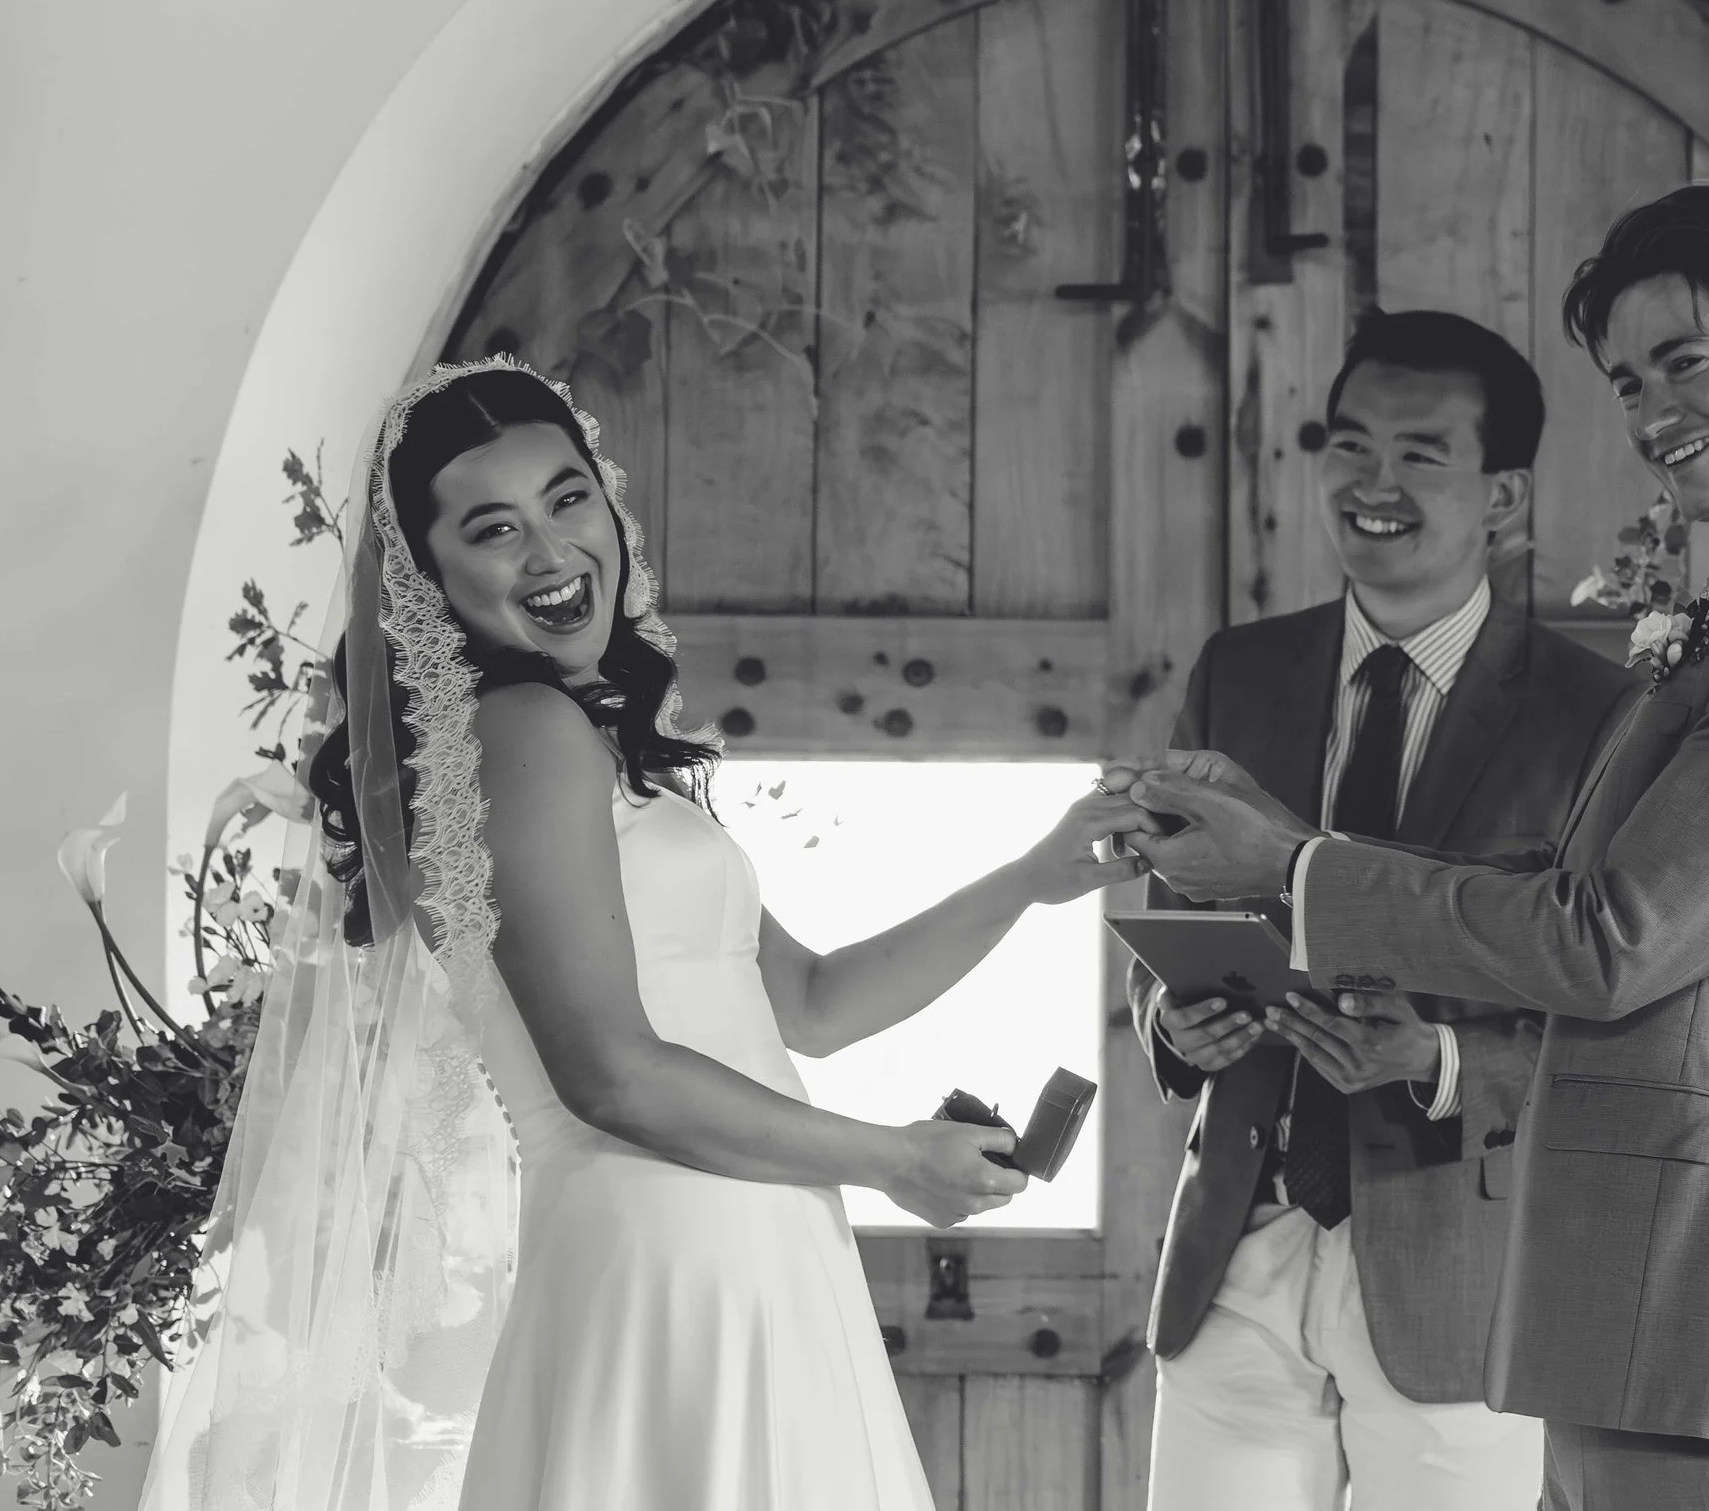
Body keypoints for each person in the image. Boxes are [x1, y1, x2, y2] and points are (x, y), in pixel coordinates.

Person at [139, 359, 1153, 1511]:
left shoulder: (595, 751)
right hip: (667, 1234)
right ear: (428, 575)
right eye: (493, 528)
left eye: (568, 498)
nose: (552, 551)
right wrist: (890, 1156)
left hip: (743, 1228)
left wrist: (1029, 877)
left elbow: (811, 1002)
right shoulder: (522, 732)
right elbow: (610, 1074)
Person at [1111, 186, 1709, 1511]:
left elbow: (1607, 936)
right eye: (1629, 381)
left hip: (1703, 1282)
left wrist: (1297, 873)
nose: (1650, 415)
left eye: (1687, 362)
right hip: (1616, 1290)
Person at [1131, 310, 1637, 1511]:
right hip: (1234, 1241)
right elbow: (1170, 912)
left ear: (1502, 498)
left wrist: (1443, 1054)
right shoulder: (1236, 673)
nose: (1372, 482)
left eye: (1419, 454)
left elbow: (1626, 1003)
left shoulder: (1598, 712)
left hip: (1461, 1264)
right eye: (1348, 444)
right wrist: (1172, 1023)